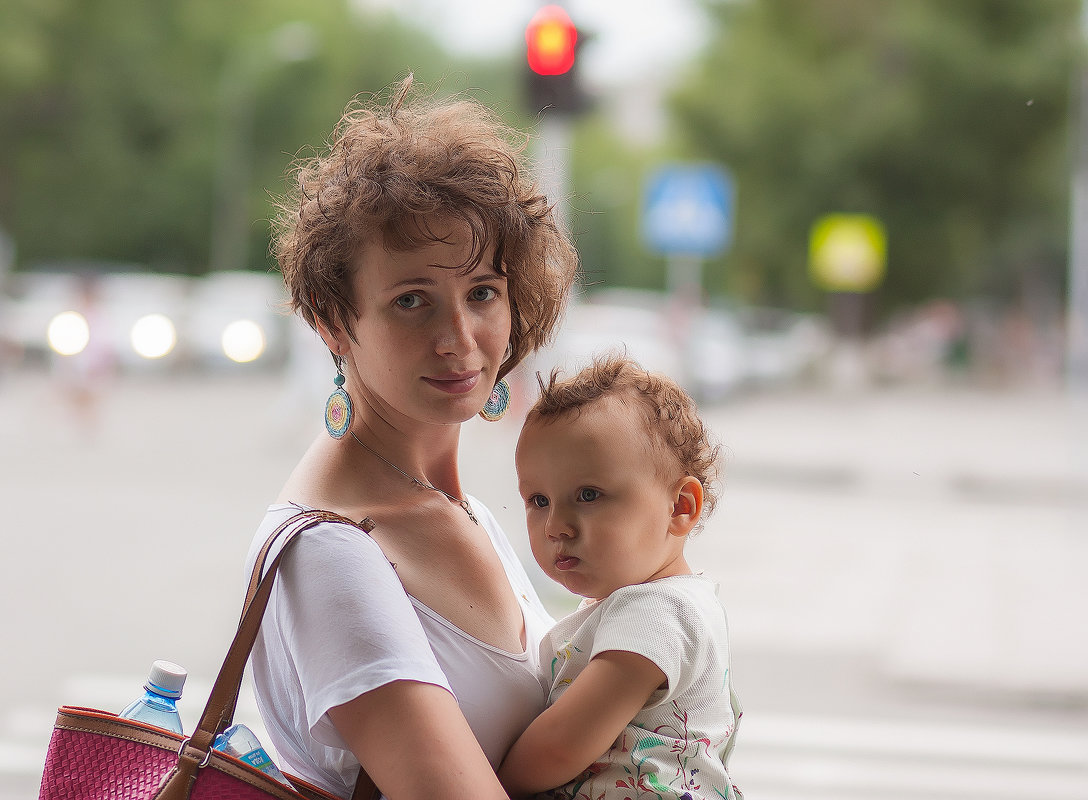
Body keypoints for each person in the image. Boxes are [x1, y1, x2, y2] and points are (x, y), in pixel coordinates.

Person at [244, 75, 578, 800]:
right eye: (411, 301)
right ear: (335, 322)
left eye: (482, 292)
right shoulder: (331, 550)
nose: (459, 340)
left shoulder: (467, 511)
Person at [498, 355, 743, 800]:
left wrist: (482, 782)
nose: (556, 525)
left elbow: (560, 746)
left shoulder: (654, 612)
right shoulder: (666, 604)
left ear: (680, 507)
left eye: (588, 495)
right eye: (538, 500)